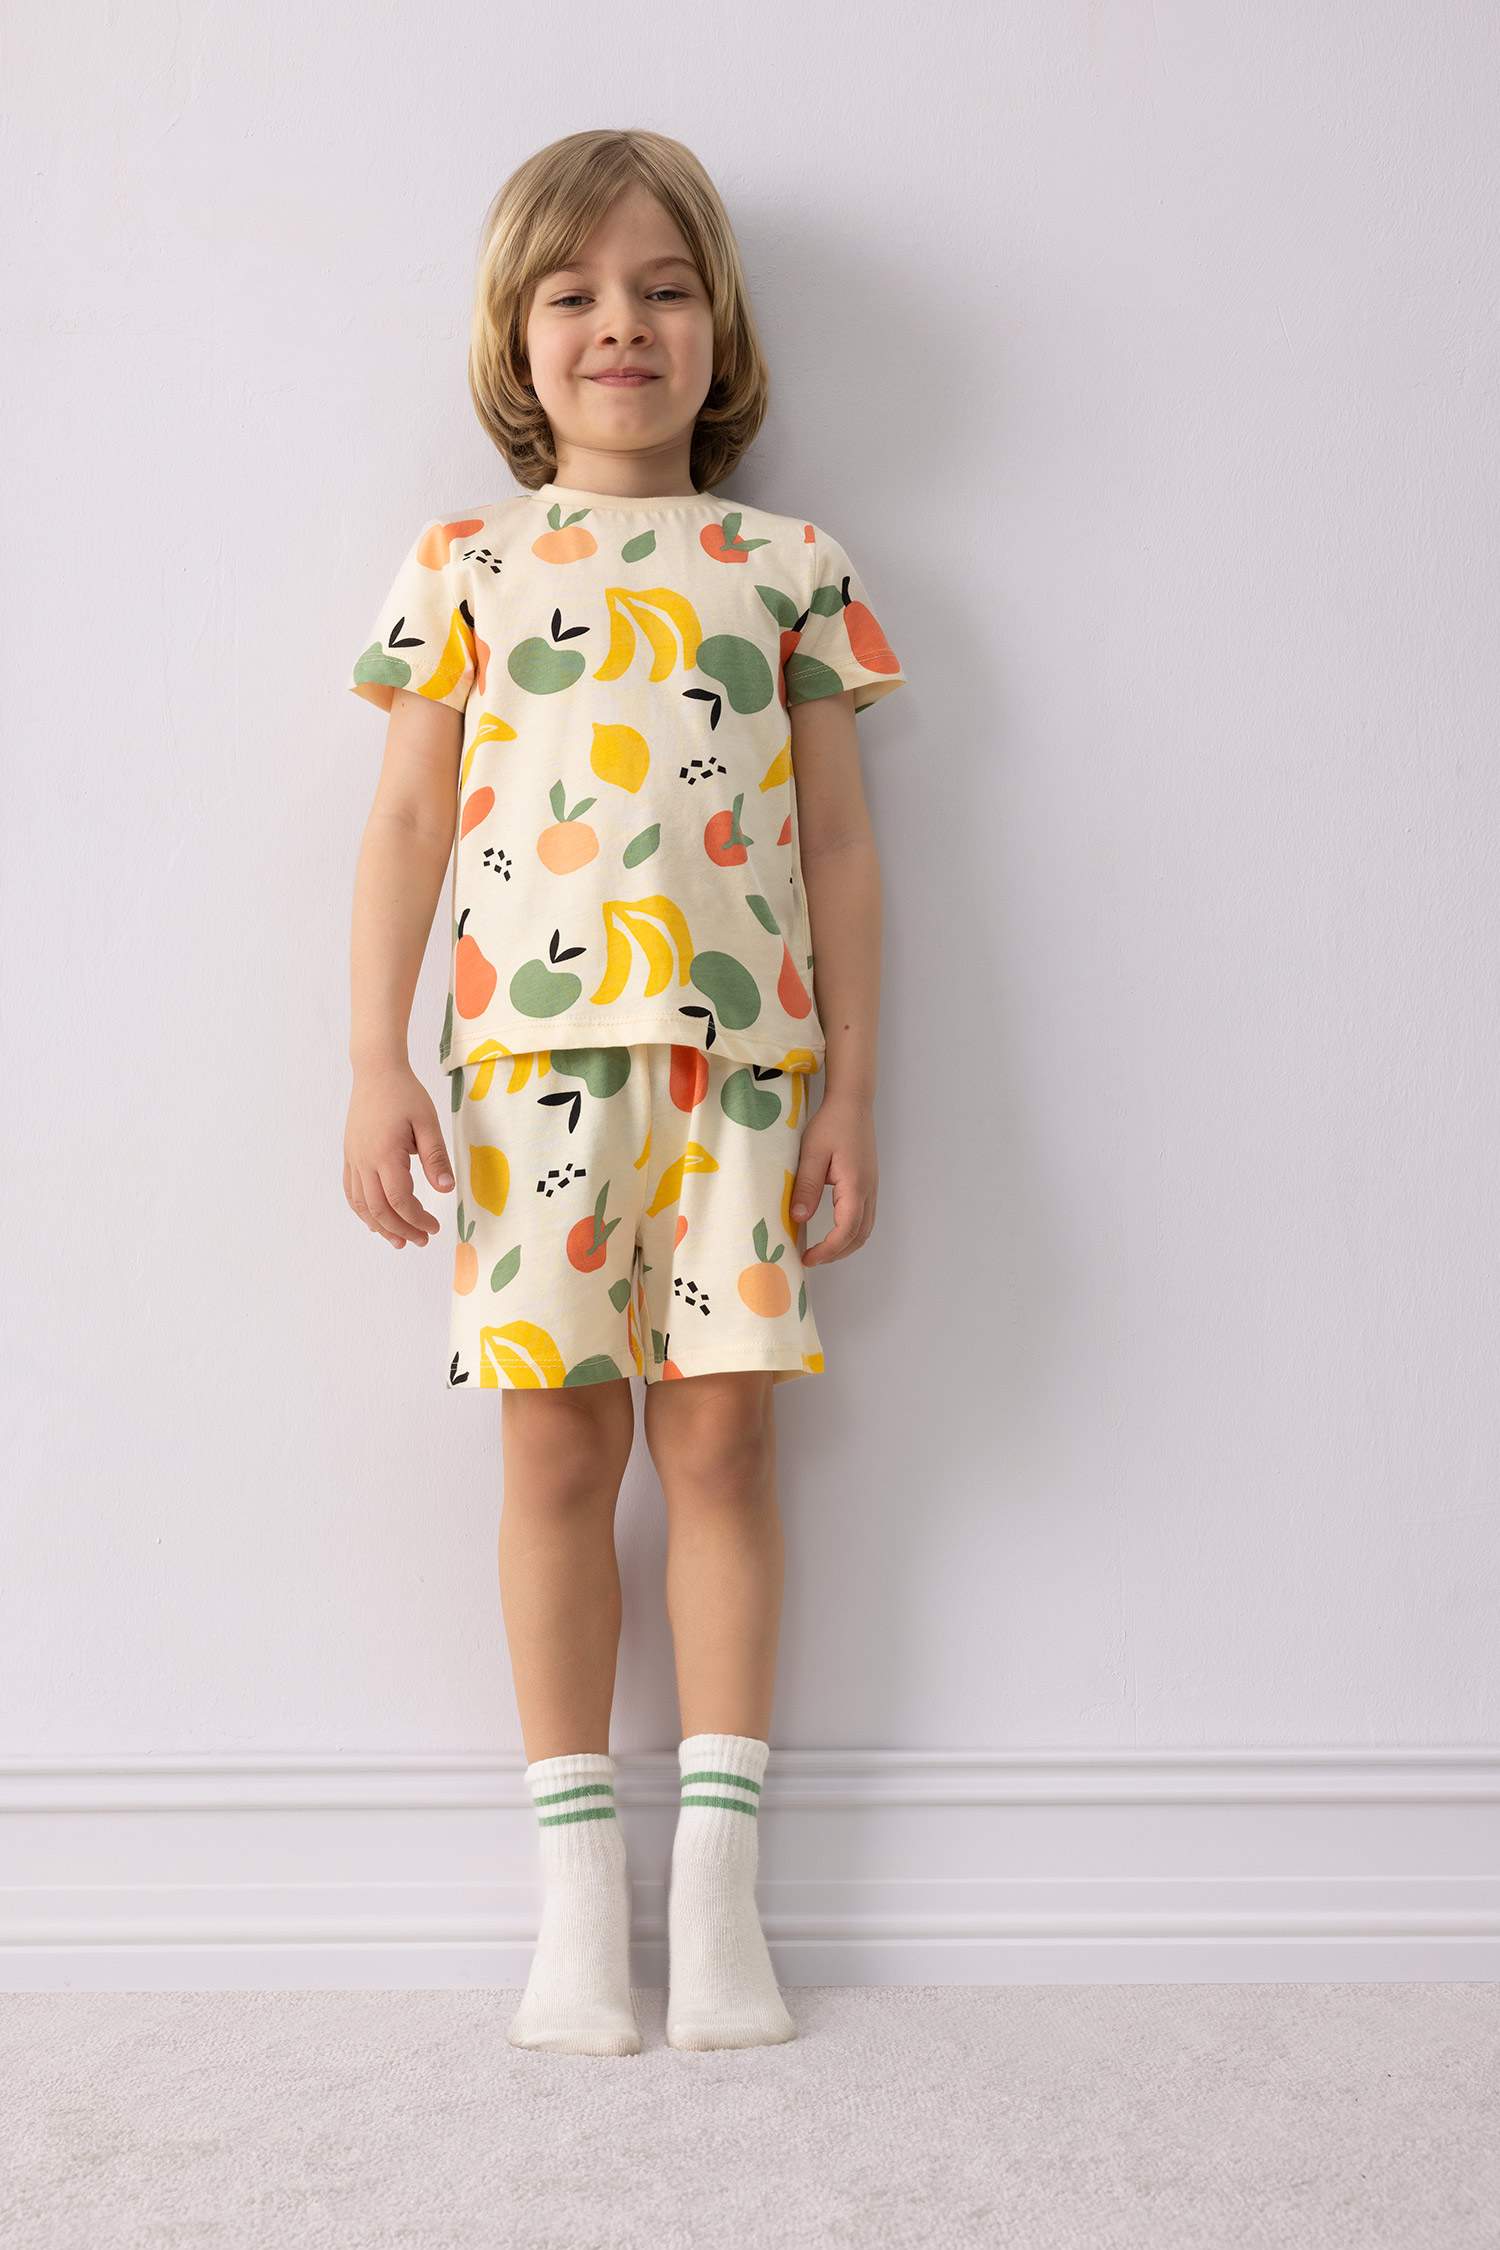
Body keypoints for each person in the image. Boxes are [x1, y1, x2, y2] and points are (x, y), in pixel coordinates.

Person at [341, 130, 909, 2055]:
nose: (622, 325)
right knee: (557, 1459)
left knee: (725, 1448)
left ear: (718, 326)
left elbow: (843, 850)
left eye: (665, 289)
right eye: (575, 292)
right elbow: (408, 821)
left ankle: (721, 1898)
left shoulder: (791, 568)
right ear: (515, 334)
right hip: (526, 1082)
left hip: (741, 1078)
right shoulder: (470, 567)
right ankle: (579, 1901)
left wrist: (848, 1091)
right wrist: (375, 1059)